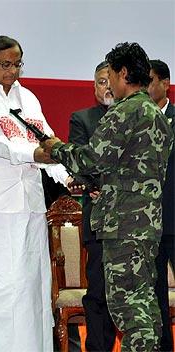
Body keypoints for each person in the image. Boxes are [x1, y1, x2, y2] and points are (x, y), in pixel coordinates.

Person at [42, 42, 173, 351]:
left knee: (128, 307)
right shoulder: (155, 114)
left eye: (112, 74)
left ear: (123, 73)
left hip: (123, 226)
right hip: (146, 224)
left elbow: (91, 159)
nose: (110, 82)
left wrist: (55, 147)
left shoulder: (125, 110)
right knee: (144, 303)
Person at [0, 35, 70, 351]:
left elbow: (48, 142)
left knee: (33, 285)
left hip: (31, 203)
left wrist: (66, 175)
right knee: (0, 288)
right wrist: (32, 154)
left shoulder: (29, 98)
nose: (13, 71)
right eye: (6, 64)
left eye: (17, 64)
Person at [68, 61, 117, 352]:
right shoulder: (83, 119)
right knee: (99, 293)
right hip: (99, 220)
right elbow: (79, 163)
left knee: (126, 296)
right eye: (101, 82)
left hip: (133, 222)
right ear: (93, 85)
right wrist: (95, 185)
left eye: (111, 81)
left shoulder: (136, 116)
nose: (107, 87)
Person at [148, 59, 175, 352]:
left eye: (152, 80)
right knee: (154, 297)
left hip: (174, 218)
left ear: (166, 83)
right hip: (147, 226)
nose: (146, 87)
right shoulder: (136, 120)